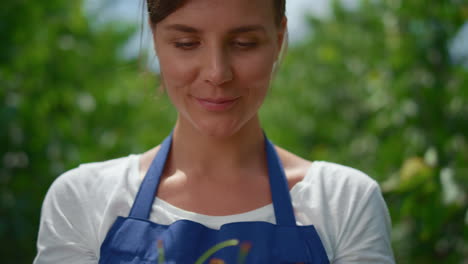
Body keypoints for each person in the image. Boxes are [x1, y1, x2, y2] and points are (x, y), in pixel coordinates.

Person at [34, 0, 395, 263]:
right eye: (187, 44)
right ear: (156, 39)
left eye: (244, 43)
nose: (217, 72)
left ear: (279, 37)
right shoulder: (82, 200)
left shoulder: (344, 201)